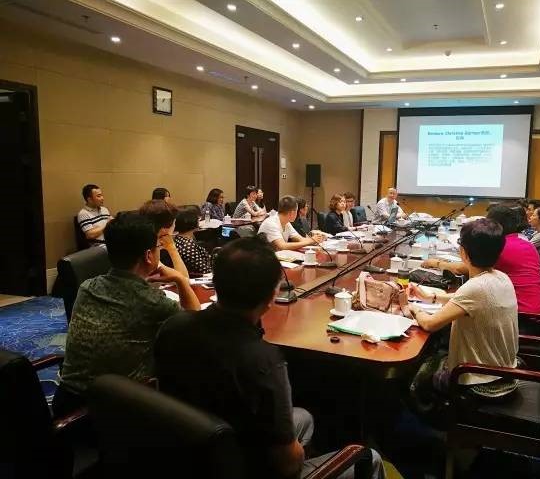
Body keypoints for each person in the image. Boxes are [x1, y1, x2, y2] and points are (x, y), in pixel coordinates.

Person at [154, 238, 386, 479]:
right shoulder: (262, 360)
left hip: (186, 455)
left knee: (304, 417)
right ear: (272, 295)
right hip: (243, 468)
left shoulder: (173, 326)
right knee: (370, 457)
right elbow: (288, 465)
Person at [52, 212, 200, 417]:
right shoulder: (152, 301)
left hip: (66, 402)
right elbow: (194, 320)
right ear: (149, 255)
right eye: (157, 247)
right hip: (113, 412)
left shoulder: (87, 287)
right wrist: (180, 280)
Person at [407, 218, 519, 405]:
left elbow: (430, 324)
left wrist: (412, 308)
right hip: (504, 373)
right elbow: (467, 301)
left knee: (416, 377)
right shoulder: (501, 277)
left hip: (480, 382)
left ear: (463, 253)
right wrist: (431, 297)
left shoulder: (475, 288)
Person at [422, 206, 540, 314]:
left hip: (521, 316)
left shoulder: (501, 247)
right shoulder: (527, 244)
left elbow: (463, 269)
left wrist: (436, 263)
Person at [139, 200, 189, 278]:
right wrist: (172, 247)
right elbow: (183, 280)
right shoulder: (151, 249)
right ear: (164, 229)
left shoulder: (141, 240)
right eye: (174, 223)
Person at [258, 196, 323, 251]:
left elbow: (301, 239)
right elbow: (282, 246)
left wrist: (315, 239)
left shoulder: (287, 223)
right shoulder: (271, 223)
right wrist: (310, 241)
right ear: (292, 213)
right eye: (296, 211)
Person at [174, 206, 213, 275]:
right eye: (197, 219)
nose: (199, 220)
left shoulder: (177, 239)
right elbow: (205, 270)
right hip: (200, 277)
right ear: (191, 222)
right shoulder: (188, 246)